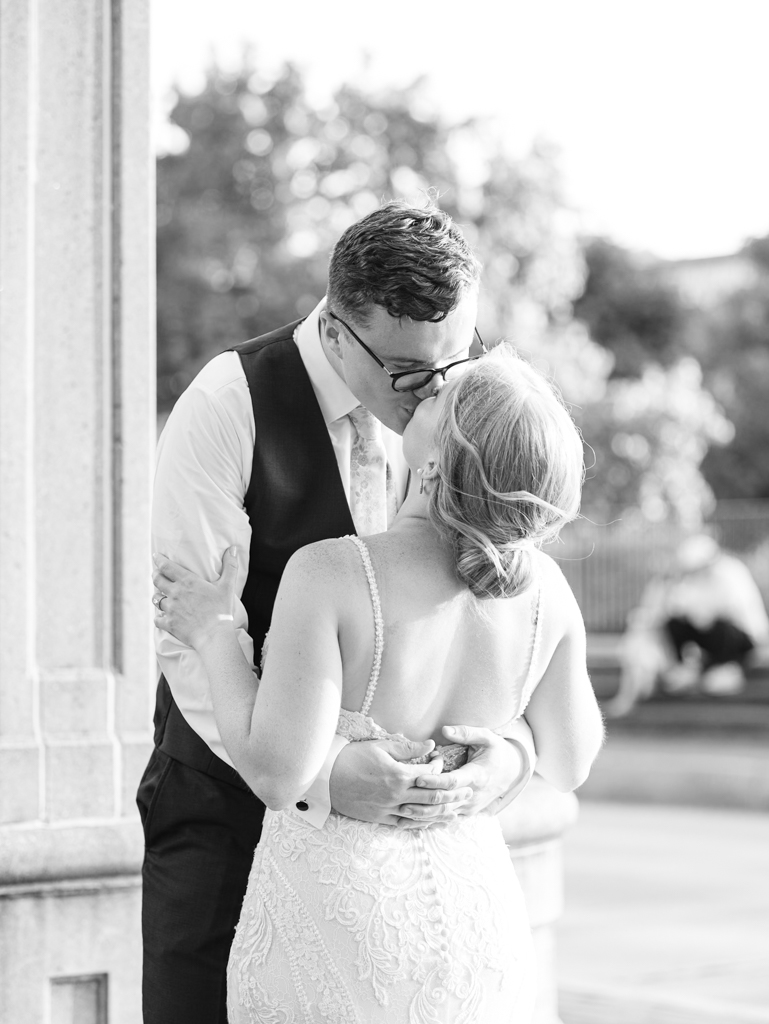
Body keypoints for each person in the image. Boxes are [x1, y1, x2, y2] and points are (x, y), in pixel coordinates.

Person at [138, 202, 539, 1024]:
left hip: (396, 864)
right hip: (225, 808)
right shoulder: (226, 404)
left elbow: (502, 600)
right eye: (405, 372)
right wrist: (320, 778)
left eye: (453, 363)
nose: (433, 394)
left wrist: (510, 754)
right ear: (334, 329)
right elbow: (191, 631)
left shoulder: (460, 411)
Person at [609, 533, 769, 716]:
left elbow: (733, 615)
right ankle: (686, 668)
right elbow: (680, 609)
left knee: (715, 625)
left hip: (741, 640)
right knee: (678, 622)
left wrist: (702, 613)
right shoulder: (692, 578)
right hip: (712, 639)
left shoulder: (730, 573)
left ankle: (727, 667)